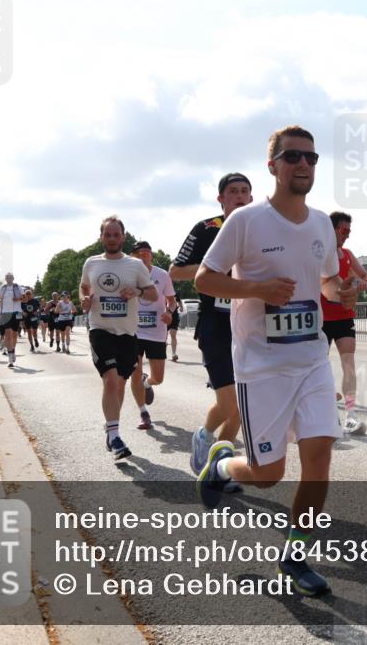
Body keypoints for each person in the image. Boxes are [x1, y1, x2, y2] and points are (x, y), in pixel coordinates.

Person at [195, 127, 356, 596]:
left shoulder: (323, 223)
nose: (303, 165)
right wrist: (257, 289)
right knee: (268, 477)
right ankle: (221, 466)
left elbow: (325, 283)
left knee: (320, 457)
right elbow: (205, 279)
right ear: (273, 166)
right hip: (260, 366)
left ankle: (295, 553)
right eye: (292, 157)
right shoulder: (246, 221)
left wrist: (338, 290)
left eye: (311, 157)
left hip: (310, 357)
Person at [171, 172, 253, 492]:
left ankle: (218, 468)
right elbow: (176, 271)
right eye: (233, 191)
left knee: (244, 407)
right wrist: (216, 270)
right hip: (215, 324)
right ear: (221, 198)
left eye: (245, 191)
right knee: (229, 402)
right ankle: (204, 436)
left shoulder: (260, 229)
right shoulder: (206, 229)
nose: (239, 196)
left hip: (249, 324)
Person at [80, 215, 156, 461]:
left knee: (120, 384)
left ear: (123, 236)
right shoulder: (91, 263)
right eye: (107, 234)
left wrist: (136, 290)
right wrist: (85, 298)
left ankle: (111, 429)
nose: (111, 238)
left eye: (116, 234)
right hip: (100, 328)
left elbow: (153, 294)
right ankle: (115, 437)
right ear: (101, 237)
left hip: (127, 332)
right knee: (111, 381)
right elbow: (84, 287)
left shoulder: (135, 265)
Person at [321, 211, 367, 435]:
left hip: (343, 317)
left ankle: (351, 414)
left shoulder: (348, 255)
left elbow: (366, 278)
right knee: (318, 367)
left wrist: (359, 283)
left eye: (349, 232)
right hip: (320, 318)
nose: (347, 236)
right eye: (343, 231)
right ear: (330, 230)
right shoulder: (318, 253)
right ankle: (327, 413)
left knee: (349, 365)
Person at [128, 240, 176, 430]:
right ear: (132, 256)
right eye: (139, 252)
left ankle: (147, 384)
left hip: (157, 332)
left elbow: (172, 301)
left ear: (152, 256)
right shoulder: (128, 274)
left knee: (159, 378)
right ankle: (143, 413)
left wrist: (169, 313)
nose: (143, 255)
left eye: (147, 252)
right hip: (134, 331)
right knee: (134, 372)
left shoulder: (162, 275)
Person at [0, 273, 28, 368]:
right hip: (6, 312)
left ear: (13, 278)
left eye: (10, 277)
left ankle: (13, 350)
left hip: (16, 312)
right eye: (7, 277)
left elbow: (25, 298)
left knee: (14, 334)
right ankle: (10, 356)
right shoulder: (2, 287)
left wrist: (17, 299)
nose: (9, 279)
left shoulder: (17, 286)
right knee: (8, 333)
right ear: (5, 279)